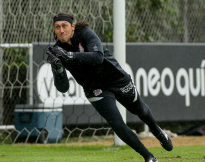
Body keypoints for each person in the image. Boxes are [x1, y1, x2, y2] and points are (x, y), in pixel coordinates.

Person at [46, 12, 173, 162]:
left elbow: (98, 57)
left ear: (72, 27)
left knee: (140, 110)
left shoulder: (85, 33)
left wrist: (70, 56)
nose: (61, 30)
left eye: (64, 26)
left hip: (116, 78)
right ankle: (149, 157)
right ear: (54, 30)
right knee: (117, 124)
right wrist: (58, 68)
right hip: (94, 88)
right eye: (57, 27)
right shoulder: (56, 51)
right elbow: (63, 88)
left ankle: (157, 132)